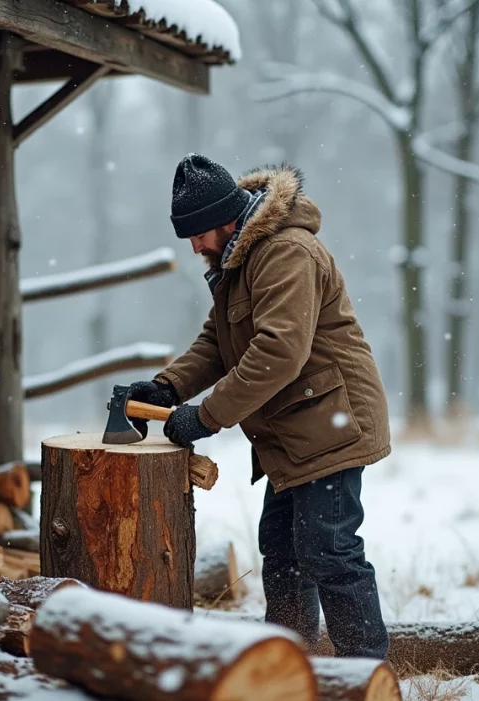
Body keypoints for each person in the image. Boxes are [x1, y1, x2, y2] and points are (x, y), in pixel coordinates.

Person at [127, 153, 391, 659]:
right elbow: (217, 342)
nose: (194, 245)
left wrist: (205, 417)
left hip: (330, 424)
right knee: (283, 549)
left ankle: (365, 677)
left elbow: (278, 351)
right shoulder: (238, 260)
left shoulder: (286, 251)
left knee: (327, 550)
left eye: (199, 232)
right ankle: (291, 666)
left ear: (228, 218)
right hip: (295, 429)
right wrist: (168, 388)